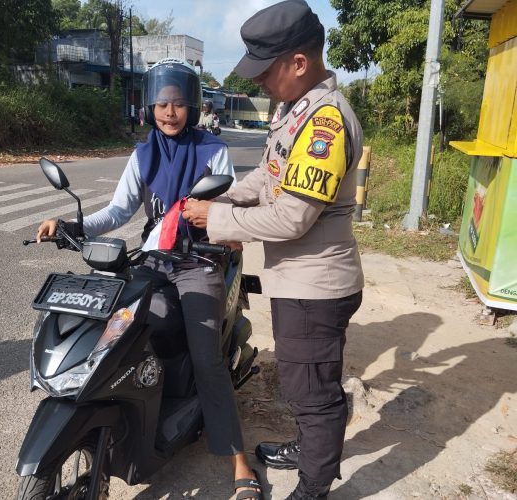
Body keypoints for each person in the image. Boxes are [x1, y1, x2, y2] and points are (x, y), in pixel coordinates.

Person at [36, 58, 263, 500]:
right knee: (119, 328)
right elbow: (117, 212)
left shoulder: (211, 150)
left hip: (199, 262)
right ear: (149, 107)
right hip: (155, 261)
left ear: (192, 107)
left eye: (178, 103)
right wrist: (69, 226)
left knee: (205, 357)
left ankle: (239, 461)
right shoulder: (143, 153)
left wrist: (228, 232)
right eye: (162, 103)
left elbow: (230, 202)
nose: (169, 111)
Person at [182, 1, 364, 499]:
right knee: (304, 385)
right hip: (299, 281)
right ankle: (309, 450)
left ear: (299, 63)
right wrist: (221, 195)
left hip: (316, 287)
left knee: (314, 396)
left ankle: (313, 487)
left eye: (265, 72)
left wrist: (215, 220)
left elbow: (292, 216)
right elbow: (271, 176)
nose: (259, 83)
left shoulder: (325, 123)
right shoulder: (294, 109)